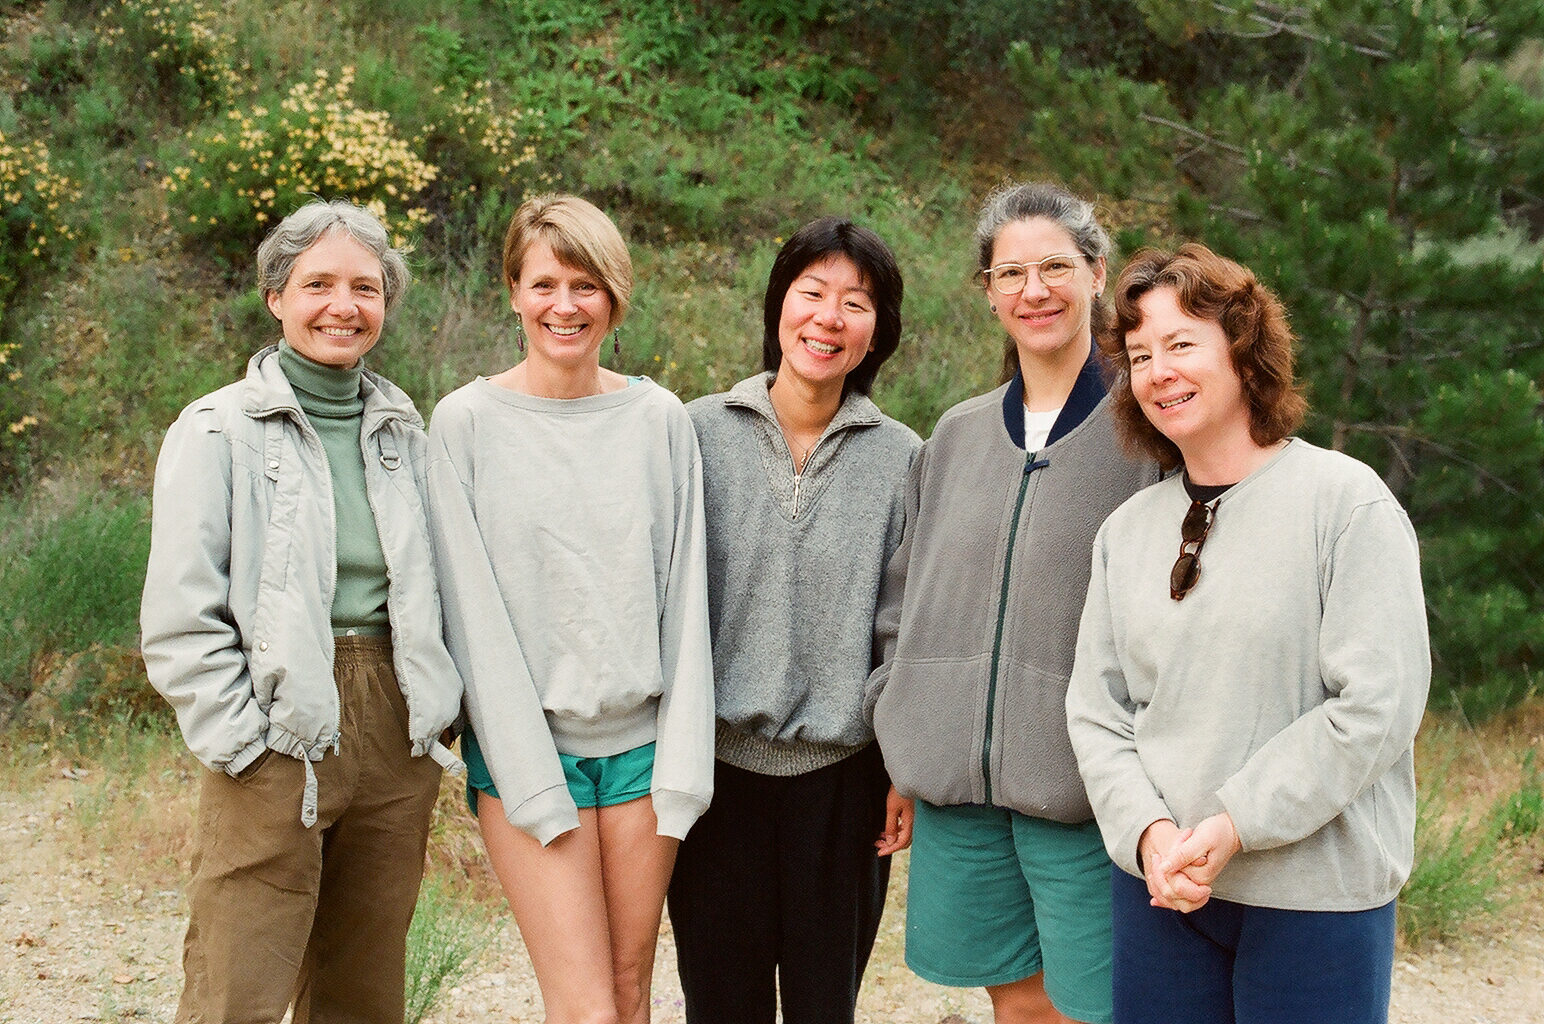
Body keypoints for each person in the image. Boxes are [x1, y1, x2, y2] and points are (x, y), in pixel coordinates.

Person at [1065, 242, 1430, 1024]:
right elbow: (1097, 712)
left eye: (1182, 344)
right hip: (1161, 894)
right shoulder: (1125, 533)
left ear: (1242, 349)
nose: (1159, 370)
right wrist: (1152, 836)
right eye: (1139, 355)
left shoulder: (1344, 503)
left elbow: (1377, 705)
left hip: (1315, 902)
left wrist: (1234, 824)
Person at [140, 198, 463, 1024]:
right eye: (317, 283)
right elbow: (180, 618)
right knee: (234, 986)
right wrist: (245, 746)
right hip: (276, 719)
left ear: (386, 302)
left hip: (394, 729)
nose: (342, 306)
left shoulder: (408, 434)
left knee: (362, 991)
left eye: (364, 286)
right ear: (276, 296)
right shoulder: (217, 431)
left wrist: (433, 717)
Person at [866, 182, 1157, 1024]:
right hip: (959, 790)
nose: (1036, 290)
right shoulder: (954, 436)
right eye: (1012, 272)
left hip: (1091, 793)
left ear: (1097, 273)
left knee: (1100, 1005)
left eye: (1056, 267)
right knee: (1015, 1000)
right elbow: (904, 599)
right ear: (987, 290)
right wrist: (900, 729)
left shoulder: (1149, 431)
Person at [426, 193, 714, 1024]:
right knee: (584, 1006)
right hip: (527, 754)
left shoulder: (658, 419)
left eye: (586, 285)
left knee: (629, 995)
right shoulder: (466, 423)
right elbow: (471, 620)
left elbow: (686, 601)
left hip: (643, 753)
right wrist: (527, 776)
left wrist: (682, 767)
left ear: (614, 297)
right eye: (546, 283)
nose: (565, 306)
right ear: (513, 291)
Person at [667, 217, 921, 1024]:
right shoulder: (694, 432)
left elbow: (904, 625)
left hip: (843, 781)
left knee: (825, 1008)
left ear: (878, 330)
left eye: (856, 302)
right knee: (720, 1005)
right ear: (779, 305)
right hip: (711, 778)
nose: (829, 318)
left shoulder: (905, 457)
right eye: (812, 293)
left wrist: (898, 767)